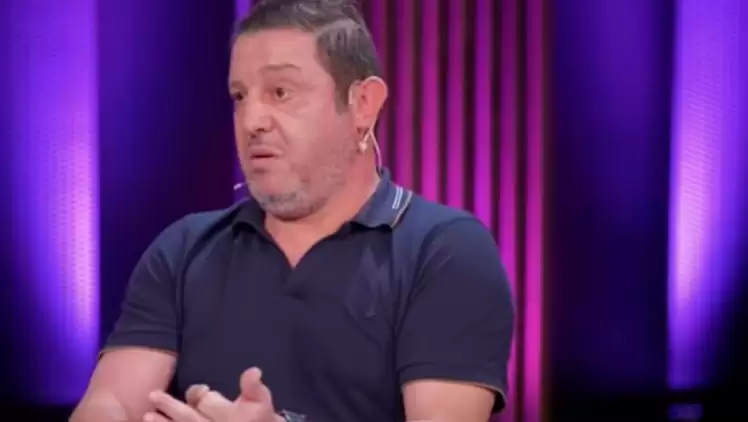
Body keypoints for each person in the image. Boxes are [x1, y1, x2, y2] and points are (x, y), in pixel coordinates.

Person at [70, 0, 514, 421]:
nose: (252, 121)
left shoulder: (445, 251)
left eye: (280, 92)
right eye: (240, 96)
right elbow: (112, 401)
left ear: (363, 104)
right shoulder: (185, 249)